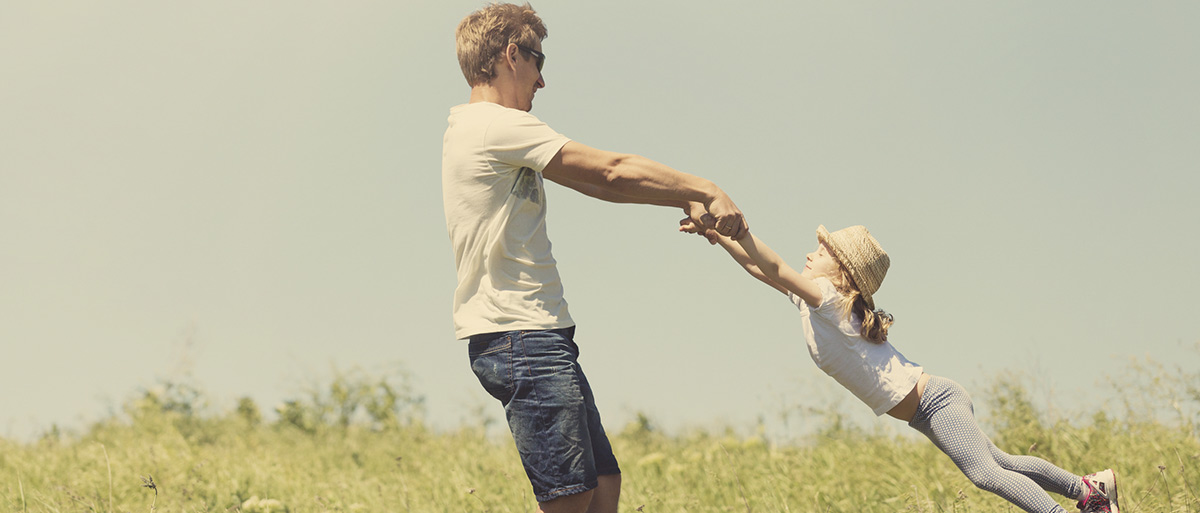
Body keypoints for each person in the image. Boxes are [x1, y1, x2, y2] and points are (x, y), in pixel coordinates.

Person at [442, 3, 748, 512]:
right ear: (510, 55)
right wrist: (706, 187)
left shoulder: (486, 131)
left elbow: (602, 186)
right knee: (572, 495)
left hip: (540, 335)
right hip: (521, 335)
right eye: (539, 62)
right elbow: (611, 170)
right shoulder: (493, 125)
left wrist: (680, 197)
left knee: (603, 486)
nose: (542, 82)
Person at [678, 219, 1120, 513]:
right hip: (927, 409)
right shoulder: (816, 304)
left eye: (821, 251)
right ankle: (1090, 490)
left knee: (986, 474)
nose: (810, 255)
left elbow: (774, 265)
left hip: (934, 402)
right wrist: (721, 239)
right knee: (1001, 462)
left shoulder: (828, 300)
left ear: (842, 275)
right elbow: (764, 272)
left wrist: (737, 225)